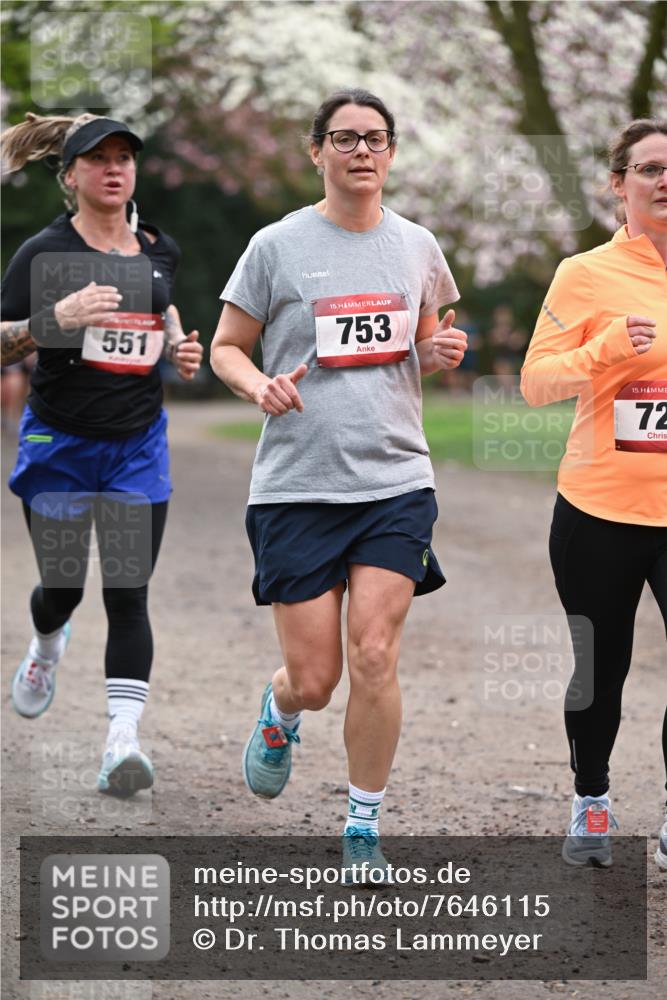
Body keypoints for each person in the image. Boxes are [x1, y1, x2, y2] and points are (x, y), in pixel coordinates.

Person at [210, 88, 467, 876]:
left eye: (376, 139)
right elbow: (226, 346)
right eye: (345, 139)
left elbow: (423, 340)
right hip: (296, 485)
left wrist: (438, 354)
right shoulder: (276, 245)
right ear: (315, 150)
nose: (362, 152)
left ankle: (362, 825)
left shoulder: (418, 246)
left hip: (394, 479)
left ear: (391, 153)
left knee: (376, 652)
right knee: (317, 679)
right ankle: (281, 710)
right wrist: (258, 386)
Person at [0, 112, 203, 796]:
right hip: (59, 441)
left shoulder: (157, 248)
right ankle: (46, 646)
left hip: (136, 449)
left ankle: (122, 742)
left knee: (128, 593)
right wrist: (52, 322)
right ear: (70, 175)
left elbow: (163, 313)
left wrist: (178, 348)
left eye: (124, 157)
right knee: (63, 587)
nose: (113, 168)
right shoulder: (43, 253)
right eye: (97, 159)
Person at [521, 119, 667, 868]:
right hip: (599, 509)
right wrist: (607, 349)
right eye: (649, 169)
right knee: (599, 667)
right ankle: (591, 797)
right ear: (619, 185)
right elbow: (535, 381)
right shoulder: (584, 274)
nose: (664, 180)